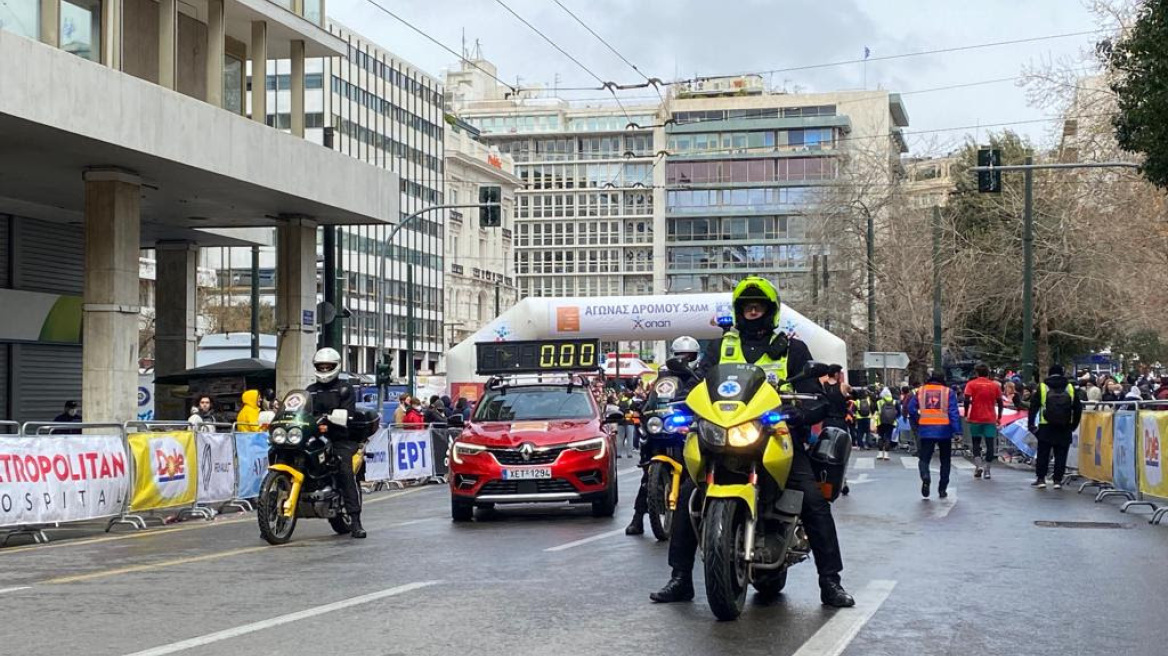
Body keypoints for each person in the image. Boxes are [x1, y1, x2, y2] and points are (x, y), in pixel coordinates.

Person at [651, 275, 855, 608]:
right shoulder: (721, 347)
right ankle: (680, 578)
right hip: (722, 434)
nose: (752, 311)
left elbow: (815, 393)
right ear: (739, 310)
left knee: (814, 502)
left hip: (774, 434)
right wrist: (685, 400)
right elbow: (699, 383)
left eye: (758, 306)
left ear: (771, 310)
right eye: (747, 306)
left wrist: (802, 412)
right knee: (689, 492)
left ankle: (830, 582)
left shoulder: (792, 347)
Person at [626, 335, 701, 536]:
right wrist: (642, 406)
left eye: (688, 355)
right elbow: (656, 397)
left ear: (695, 356)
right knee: (647, 474)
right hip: (664, 424)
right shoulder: (664, 375)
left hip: (689, 423)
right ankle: (637, 518)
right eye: (679, 355)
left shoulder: (700, 375)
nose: (683, 359)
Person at [307, 347, 365, 538]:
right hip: (315, 437)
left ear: (336, 366)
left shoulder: (344, 388)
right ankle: (271, 513)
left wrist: (335, 417)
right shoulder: (310, 391)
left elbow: (348, 413)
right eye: (320, 367)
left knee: (344, 470)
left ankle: (356, 521)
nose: (324, 370)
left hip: (340, 438)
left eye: (327, 366)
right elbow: (299, 409)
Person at [1027, 364, 1083, 490]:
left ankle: (1041, 479)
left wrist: (1031, 424)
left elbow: (1033, 407)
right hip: (1065, 426)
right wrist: (1073, 425)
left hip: (1046, 426)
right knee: (1061, 454)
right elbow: (1078, 408)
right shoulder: (1070, 387)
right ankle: (1057, 480)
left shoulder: (1042, 387)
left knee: (1043, 453)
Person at [908, 372, 962, 499]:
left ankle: (925, 477)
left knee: (924, 459)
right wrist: (957, 431)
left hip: (926, 430)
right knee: (945, 461)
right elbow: (953, 412)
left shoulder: (921, 391)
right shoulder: (948, 392)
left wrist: (919, 419)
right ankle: (942, 488)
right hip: (944, 430)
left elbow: (911, 408)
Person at [963, 364, 1003, 480]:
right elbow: (1000, 402)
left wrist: (966, 414)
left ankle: (978, 465)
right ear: (988, 373)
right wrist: (999, 416)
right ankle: (987, 469)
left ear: (976, 373)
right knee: (990, 444)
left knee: (976, 443)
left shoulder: (971, 384)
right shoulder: (994, 386)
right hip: (990, 418)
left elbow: (966, 400)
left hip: (975, 417)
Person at [875, 388, 898, 460]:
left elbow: (875, 411)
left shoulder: (879, 402)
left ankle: (880, 453)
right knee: (888, 436)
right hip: (891, 422)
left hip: (880, 422)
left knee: (880, 436)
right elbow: (899, 412)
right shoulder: (895, 402)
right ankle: (886, 454)